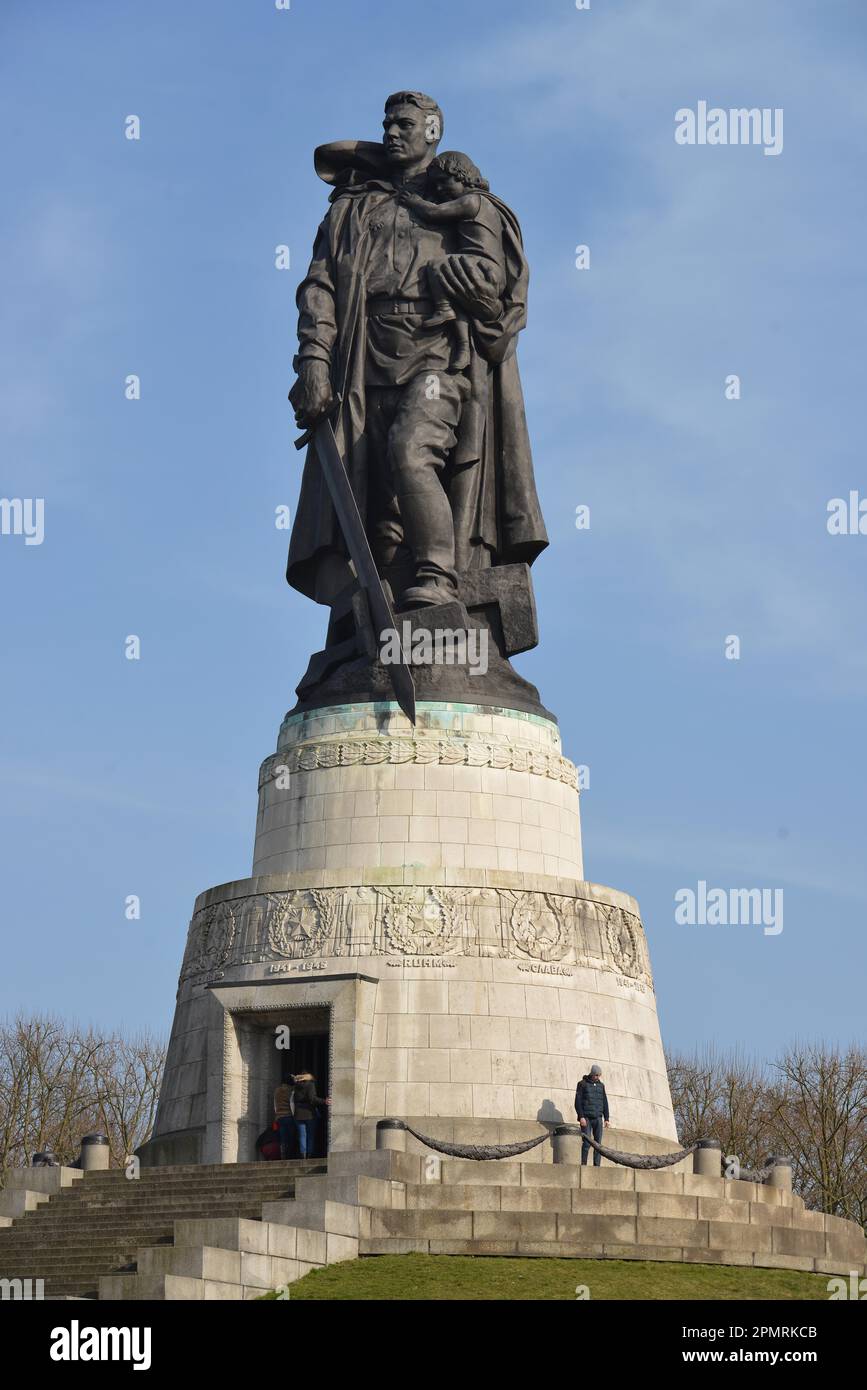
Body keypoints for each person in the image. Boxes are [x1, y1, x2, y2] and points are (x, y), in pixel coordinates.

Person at [288, 90, 548, 614]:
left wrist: (479, 295)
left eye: (404, 123)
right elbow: (320, 288)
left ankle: (438, 574)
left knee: (412, 450)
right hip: (362, 360)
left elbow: (498, 295)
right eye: (386, 124)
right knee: (376, 493)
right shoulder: (354, 208)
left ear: (433, 131)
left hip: (437, 355)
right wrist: (315, 360)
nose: (391, 132)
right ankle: (384, 603)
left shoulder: (467, 203)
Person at [399, 150, 503, 373]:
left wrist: (414, 202)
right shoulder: (486, 203)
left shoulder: (471, 201)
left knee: (437, 266)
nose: (439, 189)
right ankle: (463, 349)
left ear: (461, 176)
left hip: (482, 265)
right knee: (458, 295)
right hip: (483, 267)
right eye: (435, 185)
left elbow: (435, 212)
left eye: (444, 182)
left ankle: (443, 308)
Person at [575, 1063, 610, 1167]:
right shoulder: (582, 1084)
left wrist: (606, 1118)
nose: (598, 1077)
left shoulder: (601, 1085)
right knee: (586, 1143)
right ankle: (584, 1164)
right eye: (596, 1075)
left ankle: (596, 1165)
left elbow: (604, 1102)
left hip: (598, 1118)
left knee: (598, 1144)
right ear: (592, 1074)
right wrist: (581, 1116)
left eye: (599, 1075)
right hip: (586, 1118)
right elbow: (577, 1102)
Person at [290, 1072, 330, 1159]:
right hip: (309, 1114)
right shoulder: (310, 1085)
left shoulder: (296, 1086)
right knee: (310, 1135)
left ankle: (303, 1154)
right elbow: (312, 1099)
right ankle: (309, 1154)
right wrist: (324, 1101)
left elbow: (292, 1100)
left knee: (302, 1135)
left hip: (298, 1114)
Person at [273, 1077, 296, 1160]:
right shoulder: (291, 1091)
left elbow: (275, 1104)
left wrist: (277, 1115)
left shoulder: (277, 1090)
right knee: (290, 1137)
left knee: (283, 1137)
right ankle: (289, 1155)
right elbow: (291, 1103)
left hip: (279, 1117)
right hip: (288, 1116)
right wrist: (294, 1115)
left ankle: (283, 1154)